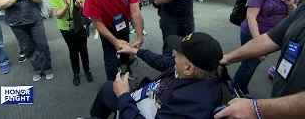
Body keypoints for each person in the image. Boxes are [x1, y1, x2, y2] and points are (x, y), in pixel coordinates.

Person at [90, 32, 222, 118]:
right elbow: (162, 61)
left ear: (188, 69)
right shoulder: (197, 69)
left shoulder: (189, 106)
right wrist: (135, 51)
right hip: (144, 98)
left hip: (138, 111)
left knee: (110, 89)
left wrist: (123, 96)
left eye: (178, 53)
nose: (174, 54)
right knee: (107, 87)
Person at [214, 1, 305, 119]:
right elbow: (270, 39)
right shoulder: (303, 9)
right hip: (282, 100)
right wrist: (228, 57)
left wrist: (256, 109)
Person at [233, 0, 300, 94]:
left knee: (253, 65)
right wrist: (259, 45)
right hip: (253, 33)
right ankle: (235, 92)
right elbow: (251, 18)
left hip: (271, 36)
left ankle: (241, 89)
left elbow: (292, 17)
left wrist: (290, 5)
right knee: (248, 66)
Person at [83, 0, 143, 81]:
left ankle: (127, 73)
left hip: (123, 24)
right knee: (110, 58)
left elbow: (136, 11)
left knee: (126, 52)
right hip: (106, 26)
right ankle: (112, 84)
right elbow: (97, 23)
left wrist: (139, 37)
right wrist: (115, 41)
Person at [49, 0, 93, 86]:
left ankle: (87, 70)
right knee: (73, 51)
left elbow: (85, 8)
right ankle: (76, 73)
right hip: (65, 26)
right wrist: (66, 5)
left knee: (83, 49)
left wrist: (79, 5)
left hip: (79, 24)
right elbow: (57, 14)